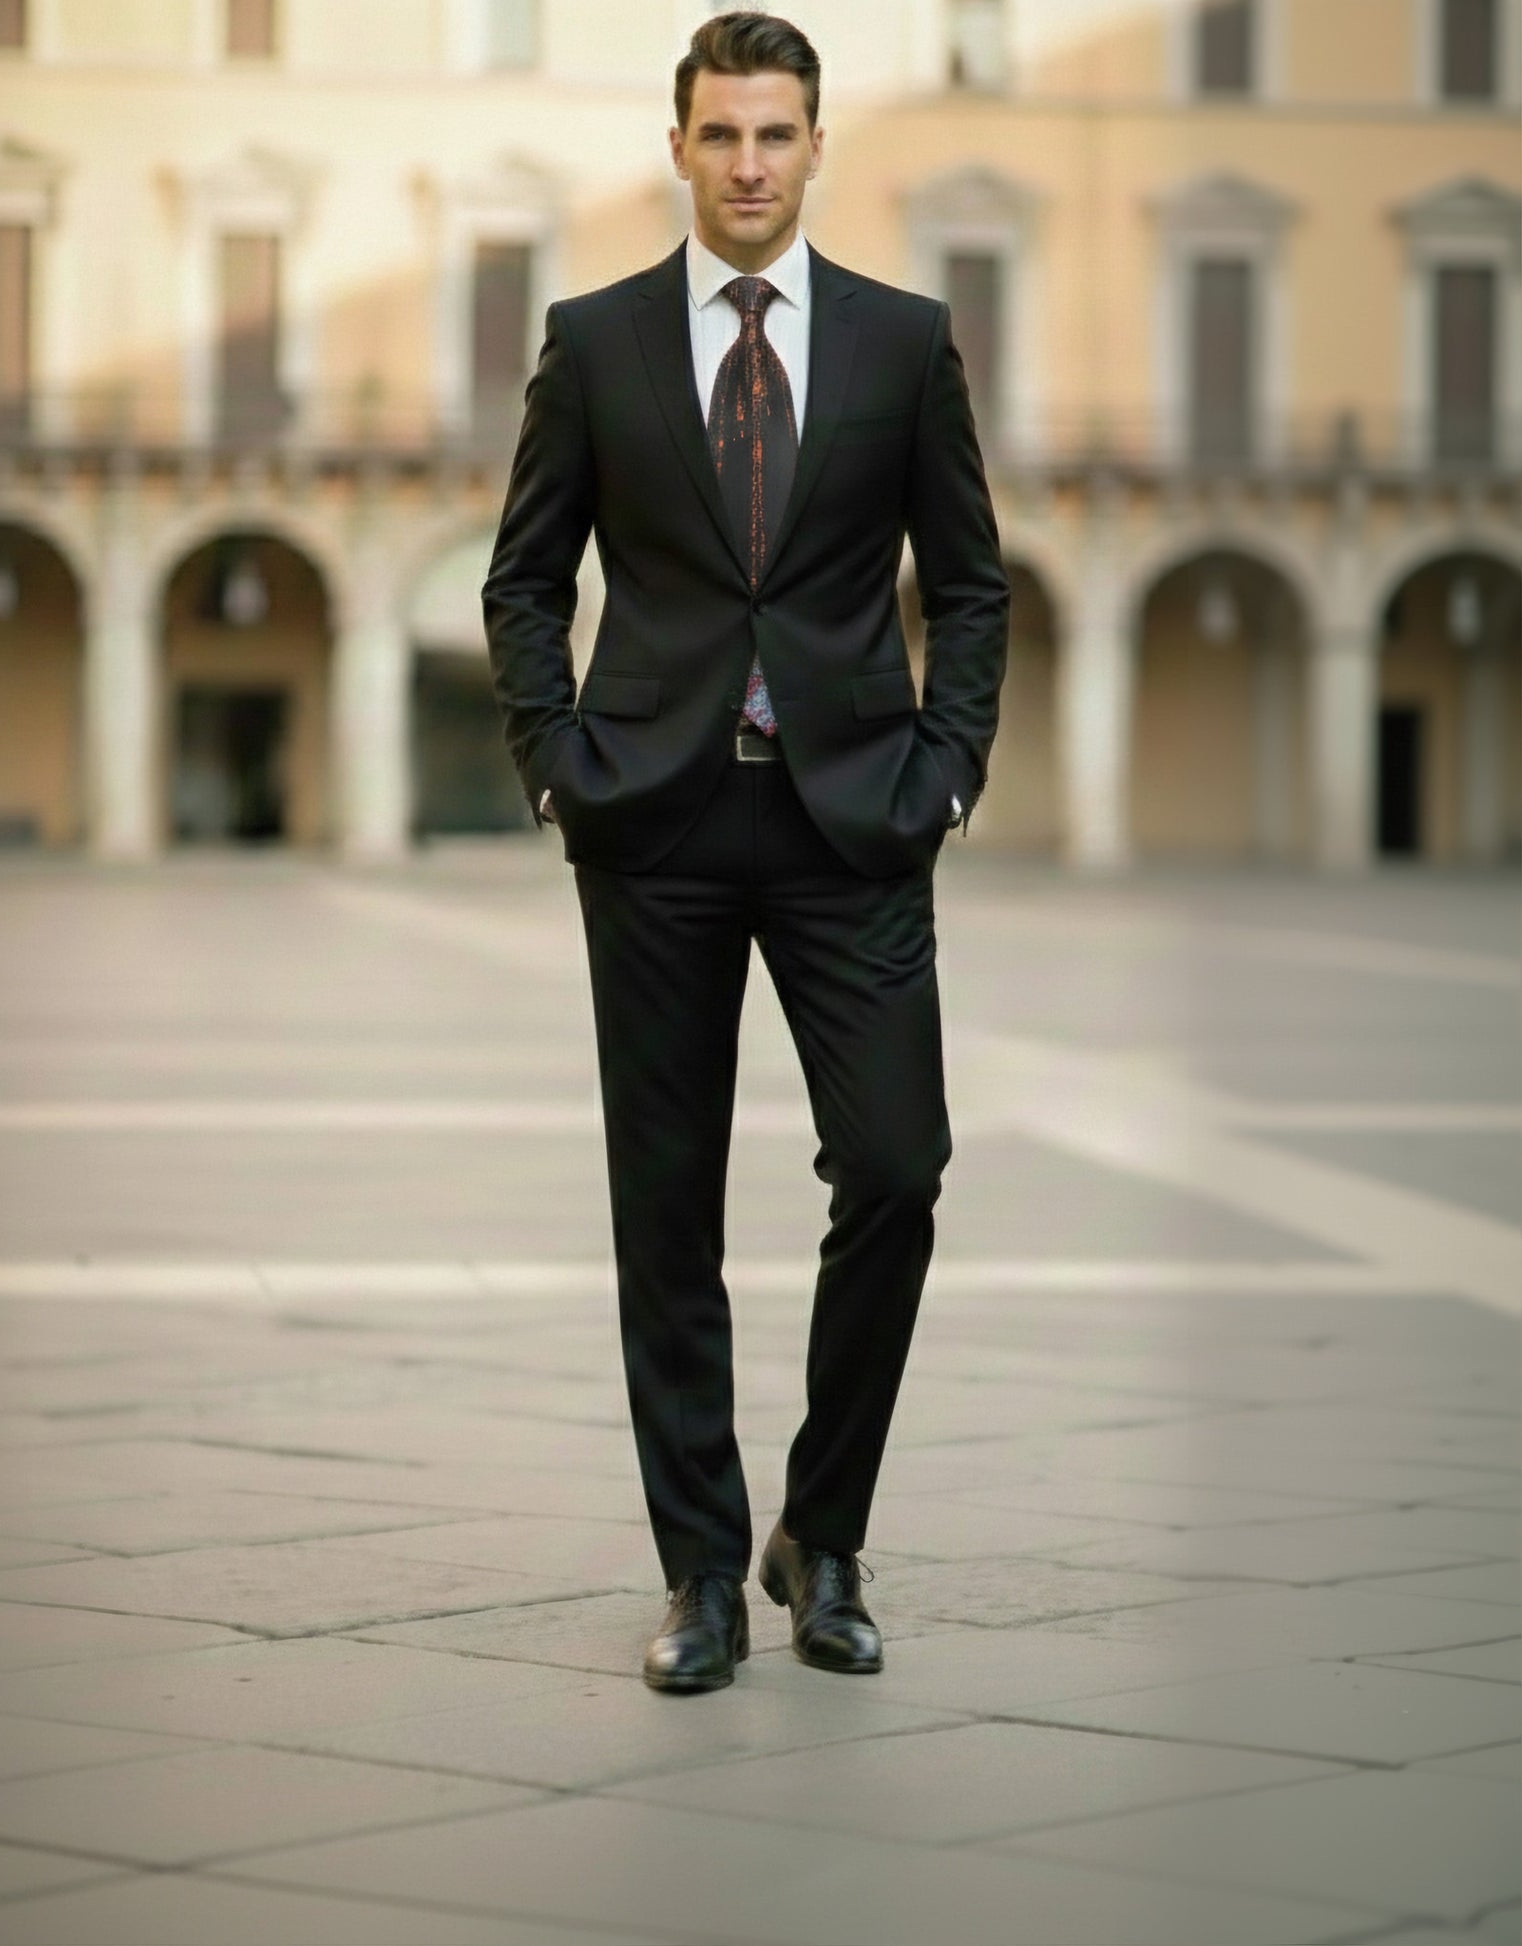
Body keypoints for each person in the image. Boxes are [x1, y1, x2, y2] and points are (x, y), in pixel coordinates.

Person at [482, 10, 1009, 1693]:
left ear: (814, 145)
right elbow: (520, 577)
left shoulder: (902, 342)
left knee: (899, 1167)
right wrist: (558, 761)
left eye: (776, 134)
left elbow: (971, 584)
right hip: (656, 819)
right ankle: (703, 1570)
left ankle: (823, 1529)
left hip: (855, 818)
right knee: (665, 1207)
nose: (749, 164)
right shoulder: (597, 339)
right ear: (679, 149)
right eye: (720, 135)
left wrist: (945, 770)